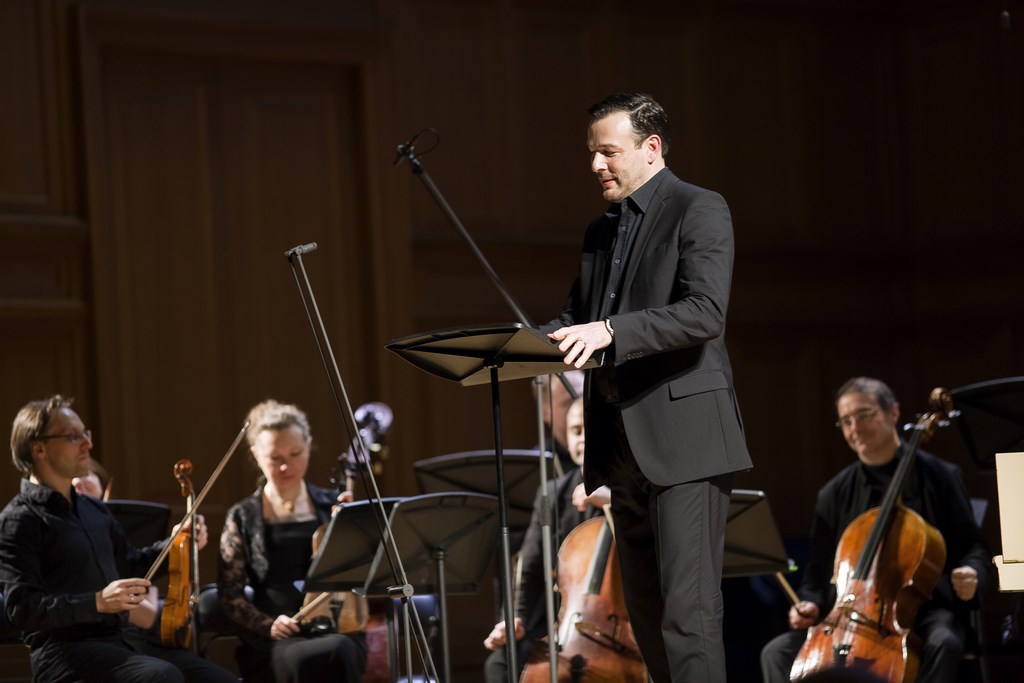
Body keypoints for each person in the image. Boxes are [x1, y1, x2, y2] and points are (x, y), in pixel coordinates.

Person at [544, 91, 752, 683]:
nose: (595, 165)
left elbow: (704, 312)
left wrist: (611, 330)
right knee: (648, 615)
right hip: (621, 448)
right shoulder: (600, 231)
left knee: (688, 618)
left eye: (608, 152)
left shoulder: (698, 207)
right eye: (592, 153)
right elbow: (574, 320)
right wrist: (512, 346)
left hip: (686, 442)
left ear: (651, 148)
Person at [759, 377, 989, 683]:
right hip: (847, 619)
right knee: (776, 653)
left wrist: (972, 572)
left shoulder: (941, 476)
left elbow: (974, 548)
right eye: (845, 422)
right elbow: (817, 569)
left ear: (893, 413)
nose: (854, 428)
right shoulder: (834, 493)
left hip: (925, 610)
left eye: (864, 415)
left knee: (944, 641)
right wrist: (810, 601)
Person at [0, 394, 238, 683]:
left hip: (123, 641)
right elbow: (22, 610)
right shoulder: (19, 520)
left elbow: (130, 564)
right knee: (161, 676)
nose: (88, 444)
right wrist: (97, 601)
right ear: (39, 449)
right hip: (65, 653)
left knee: (219, 679)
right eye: (73, 437)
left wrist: (177, 544)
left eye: (85, 434)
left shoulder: (94, 509)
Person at [217, 399, 366, 683]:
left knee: (340, 649)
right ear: (256, 455)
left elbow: (361, 574)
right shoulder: (242, 515)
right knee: (306, 658)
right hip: (276, 635)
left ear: (308, 445)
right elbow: (229, 596)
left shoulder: (332, 506)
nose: (286, 466)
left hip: (335, 625)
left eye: (295, 453)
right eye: (275, 458)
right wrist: (268, 624)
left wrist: (353, 529)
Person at [482, 396, 609, 682]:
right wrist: (515, 618)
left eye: (589, 429)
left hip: (618, 625)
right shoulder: (552, 495)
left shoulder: (627, 491)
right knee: (500, 664)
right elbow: (528, 568)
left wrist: (613, 500)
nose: (582, 437)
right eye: (576, 430)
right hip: (562, 624)